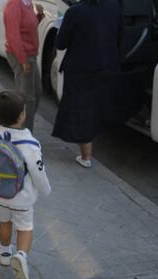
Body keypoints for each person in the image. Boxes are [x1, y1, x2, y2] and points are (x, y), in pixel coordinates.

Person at [0, 91, 51, 279]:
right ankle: (21, 256)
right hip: (22, 197)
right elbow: (38, 173)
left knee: (4, 221)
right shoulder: (30, 144)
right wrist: (45, 191)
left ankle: (5, 252)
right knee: (25, 227)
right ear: (22, 116)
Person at [51, 0, 123, 168]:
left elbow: (61, 43)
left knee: (82, 113)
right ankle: (87, 154)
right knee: (94, 110)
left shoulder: (75, 11)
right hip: (106, 67)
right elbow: (120, 39)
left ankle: (86, 157)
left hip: (80, 71)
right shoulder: (114, 7)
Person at [3, 0, 45, 132]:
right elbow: (13, 36)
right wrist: (22, 59)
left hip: (30, 55)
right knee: (28, 99)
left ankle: (22, 129)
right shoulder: (14, 5)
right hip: (22, 55)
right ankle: (24, 134)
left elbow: (28, 28)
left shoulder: (27, 4)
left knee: (36, 93)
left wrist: (39, 16)